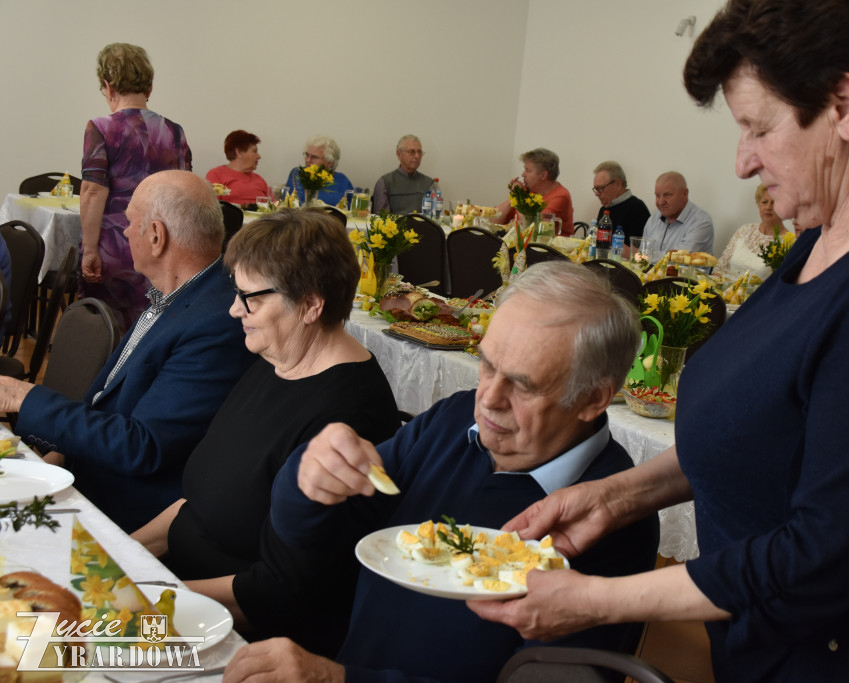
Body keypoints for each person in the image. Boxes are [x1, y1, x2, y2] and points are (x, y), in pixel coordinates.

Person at [470, 1, 849, 681]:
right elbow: (768, 431)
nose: (741, 161)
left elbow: (821, 556)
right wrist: (615, 497)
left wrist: (596, 600)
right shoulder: (834, 228)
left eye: (758, 127)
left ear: (845, 105)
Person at [222, 262, 659, 683]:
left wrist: (339, 679)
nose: (488, 399)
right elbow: (311, 536)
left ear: (593, 398)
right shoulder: (454, 421)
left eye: (523, 385)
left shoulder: (610, 517)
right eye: (487, 365)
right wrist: (309, 480)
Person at [131, 208, 400, 656]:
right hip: (179, 589)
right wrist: (122, 555)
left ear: (311, 305)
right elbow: (196, 506)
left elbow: (278, 595)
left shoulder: (350, 417)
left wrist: (145, 598)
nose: (234, 309)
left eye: (249, 298)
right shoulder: (276, 360)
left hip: (246, 638)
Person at [0, 171, 256, 532]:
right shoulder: (178, 293)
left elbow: (143, 446)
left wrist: (23, 398)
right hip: (88, 475)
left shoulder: (216, 322)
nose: (124, 232)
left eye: (130, 222)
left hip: (122, 511)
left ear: (156, 236)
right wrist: (59, 457)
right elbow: (108, 401)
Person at [80, 42, 192, 332]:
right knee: (154, 329)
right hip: (162, 248)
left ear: (108, 86)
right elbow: (185, 194)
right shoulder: (174, 132)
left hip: (116, 248)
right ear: (149, 87)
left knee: (106, 331)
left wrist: (89, 249)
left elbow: (93, 191)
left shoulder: (101, 128)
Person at [713, 183, 789, 281]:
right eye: (764, 202)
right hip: (724, 288)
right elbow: (719, 268)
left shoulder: (789, 243)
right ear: (758, 204)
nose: (768, 207)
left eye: (774, 203)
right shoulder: (745, 230)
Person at [495, 148, 574, 234]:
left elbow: (533, 229)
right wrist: (514, 196)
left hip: (547, 242)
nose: (523, 174)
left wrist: (518, 197)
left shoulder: (561, 196)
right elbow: (493, 221)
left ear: (543, 175)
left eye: (528, 170)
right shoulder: (529, 190)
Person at [640, 171, 714, 256]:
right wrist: (641, 256)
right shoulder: (654, 218)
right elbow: (642, 254)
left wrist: (642, 256)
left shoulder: (701, 222)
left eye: (667, 195)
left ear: (684, 194)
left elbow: (680, 258)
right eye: (657, 195)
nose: (661, 202)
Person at [283, 135, 354, 206]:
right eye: (307, 155)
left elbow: (351, 208)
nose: (308, 160)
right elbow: (286, 204)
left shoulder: (342, 181)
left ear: (329, 162)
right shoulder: (297, 174)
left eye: (314, 157)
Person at [371, 134, 433, 214]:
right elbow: (380, 218)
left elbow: (434, 217)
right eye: (411, 152)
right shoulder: (385, 182)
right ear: (399, 154)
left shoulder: (429, 184)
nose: (417, 156)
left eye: (419, 152)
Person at [205, 130, 270, 207]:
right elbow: (211, 207)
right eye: (254, 151)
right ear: (239, 153)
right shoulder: (216, 174)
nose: (259, 156)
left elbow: (274, 206)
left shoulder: (259, 180)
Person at [592, 160, 650, 241]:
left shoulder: (637, 209)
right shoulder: (604, 209)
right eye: (596, 189)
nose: (596, 194)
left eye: (601, 188)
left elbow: (639, 248)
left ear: (617, 184)